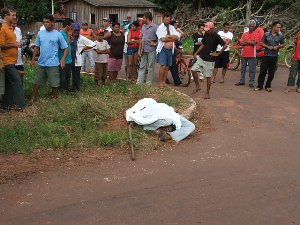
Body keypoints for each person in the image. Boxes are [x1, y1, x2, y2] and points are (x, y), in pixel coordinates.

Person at [29, 14, 68, 104]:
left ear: (52, 22)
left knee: (54, 83)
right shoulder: (40, 33)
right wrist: (33, 59)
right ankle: (33, 98)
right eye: (44, 22)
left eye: (47, 22)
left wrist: (62, 60)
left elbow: (66, 48)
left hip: (53, 63)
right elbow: (37, 47)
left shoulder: (57, 34)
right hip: (41, 62)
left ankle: (54, 98)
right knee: (37, 82)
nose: (45, 24)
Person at [191, 21, 227, 99]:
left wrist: (217, 54)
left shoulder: (216, 36)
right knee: (193, 70)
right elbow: (203, 44)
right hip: (202, 56)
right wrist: (196, 52)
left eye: (207, 29)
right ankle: (197, 86)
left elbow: (224, 45)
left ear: (212, 29)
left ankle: (207, 93)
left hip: (209, 59)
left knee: (208, 76)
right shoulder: (206, 34)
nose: (206, 30)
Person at [0, 7, 26, 111]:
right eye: (13, 15)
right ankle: (21, 105)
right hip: (6, 61)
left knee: (9, 84)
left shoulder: (10, 28)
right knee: (17, 81)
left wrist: (17, 44)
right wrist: (15, 44)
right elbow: (1, 45)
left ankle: (6, 106)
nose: (15, 17)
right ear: (6, 16)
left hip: (12, 61)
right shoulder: (2, 28)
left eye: (15, 15)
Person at [255, 21, 285, 92]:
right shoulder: (266, 34)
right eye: (278, 27)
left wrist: (277, 46)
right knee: (262, 71)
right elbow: (261, 43)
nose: (279, 29)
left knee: (271, 73)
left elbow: (283, 44)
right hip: (266, 55)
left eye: (280, 27)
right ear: (273, 27)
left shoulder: (280, 35)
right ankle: (259, 86)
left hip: (274, 56)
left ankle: (268, 86)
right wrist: (268, 46)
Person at [156, 13, 180, 88]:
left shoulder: (172, 27)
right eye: (165, 19)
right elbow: (163, 39)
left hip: (170, 50)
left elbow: (177, 37)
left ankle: (164, 81)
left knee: (167, 66)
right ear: (163, 19)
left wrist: (169, 36)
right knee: (163, 66)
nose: (167, 21)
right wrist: (172, 37)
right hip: (163, 49)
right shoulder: (160, 28)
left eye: (168, 19)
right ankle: (160, 82)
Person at [70, 23, 96, 91]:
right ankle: (70, 88)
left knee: (76, 76)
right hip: (69, 60)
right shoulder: (69, 37)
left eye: (77, 30)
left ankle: (77, 89)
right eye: (74, 30)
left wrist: (84, 48)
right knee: (68, 75)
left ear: (79, 30)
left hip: (77, 61)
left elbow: (93, 44)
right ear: (72, 30)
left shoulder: (82, 38)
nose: (76, 32)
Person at [235, 20, 260, 88]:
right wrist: (249, 42)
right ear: (248, 26)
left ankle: (251, 82)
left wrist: (245, 42)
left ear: (254, 27)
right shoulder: (245, 34)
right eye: (250, 26)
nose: (251, 27)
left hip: (252, 54)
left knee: (252, 69)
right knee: (243, 69)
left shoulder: (257, 34)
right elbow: (241, 43)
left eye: (253, 26)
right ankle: (242, 81)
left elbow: (254, 43)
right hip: (244, 53)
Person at [136, 11, 158, 85]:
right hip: (143, 49)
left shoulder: (155, 27)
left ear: (147, 18)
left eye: (144, 18)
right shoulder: (143, 26)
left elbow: (160, 38)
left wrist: (155, 43)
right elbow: (141, 38)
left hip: (151, 50)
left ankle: (148, 83)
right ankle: (139, 82)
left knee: (150, 66)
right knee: (142, 66)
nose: (143, 19)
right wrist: (139, 49)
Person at [58, 18, 73, 91]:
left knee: (68, 76)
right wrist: (69, 39)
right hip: (63, 59)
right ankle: (60, 90)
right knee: (62, 76)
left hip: (68, 59)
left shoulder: (67, 33)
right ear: (67, 26)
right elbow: (63, 46)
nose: (71, 27)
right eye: (71, 25)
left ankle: (66, 89)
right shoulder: (60, 34)